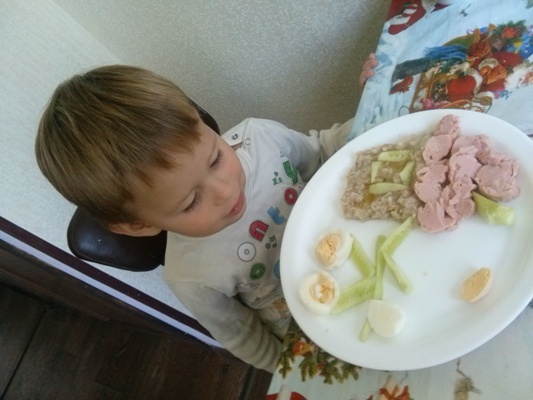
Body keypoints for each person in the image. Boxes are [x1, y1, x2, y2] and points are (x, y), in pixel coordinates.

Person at [35, 55, 377, 372]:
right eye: (190, 202)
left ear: (198, 117)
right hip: (312, 327)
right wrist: (294, 370)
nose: (226, 191)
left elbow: (324, 151)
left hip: (365, 242)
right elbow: (245, 337)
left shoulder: (261, 140)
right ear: (139, 225)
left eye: (216, 159)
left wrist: (373, 108)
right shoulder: (191, 277)